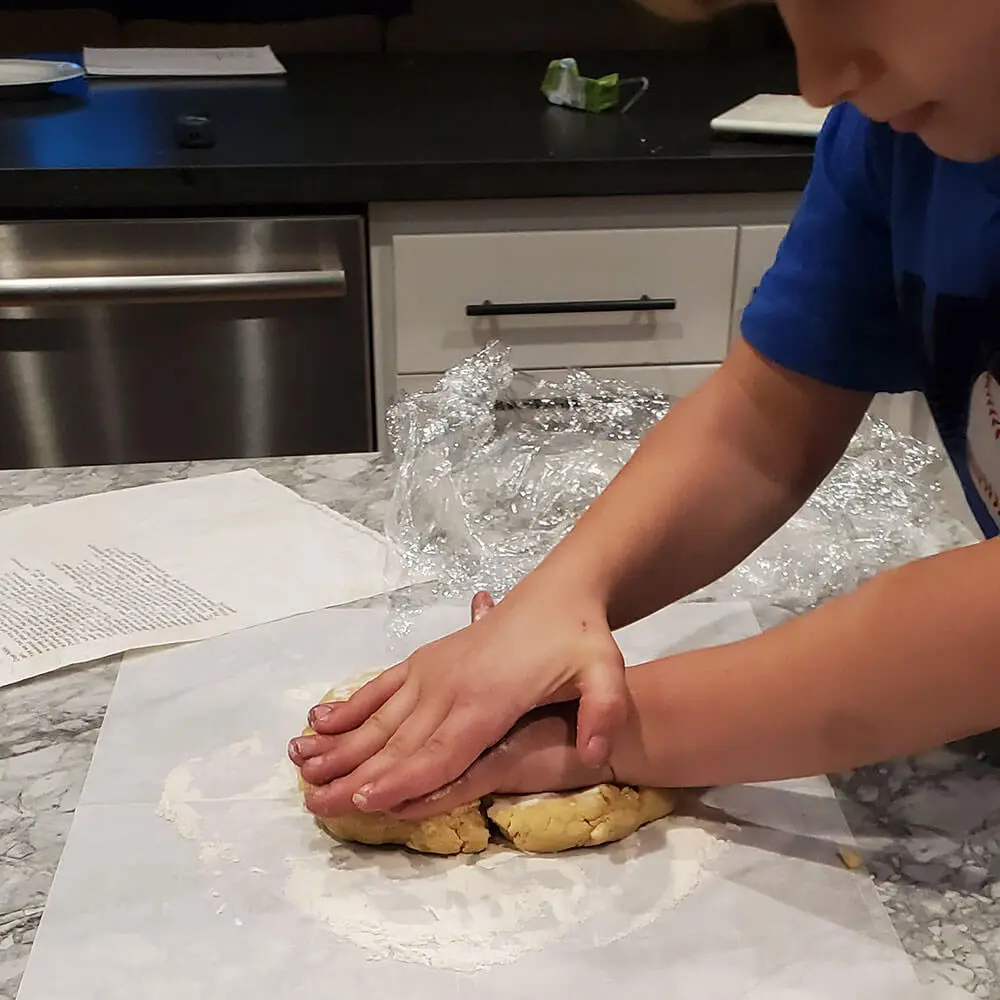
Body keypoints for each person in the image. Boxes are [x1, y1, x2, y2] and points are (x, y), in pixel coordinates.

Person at [289, 0, 1000, 822]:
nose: (817, 80)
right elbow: (764, 422)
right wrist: (558, 600)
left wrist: (606, 733)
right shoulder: (898, 137)